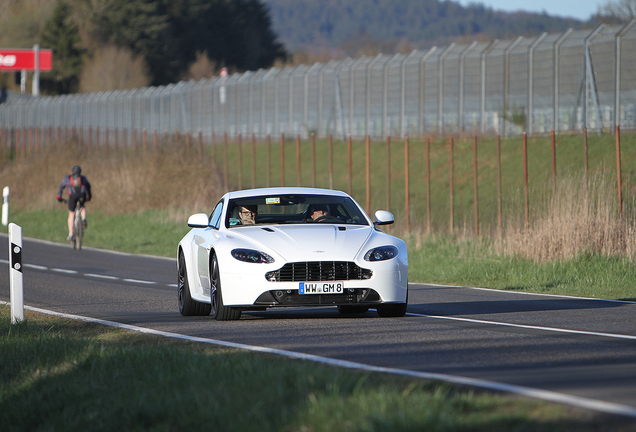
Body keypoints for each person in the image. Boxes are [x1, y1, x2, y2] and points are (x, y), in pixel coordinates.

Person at [57, 165, 92, 241]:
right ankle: (84, 219)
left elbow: (62, 186)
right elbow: (88, 186)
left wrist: (59, 197)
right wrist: (89, 197)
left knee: (71, 213)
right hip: (82, 195)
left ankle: (71, 234)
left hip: (72, 196)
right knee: (82, 206)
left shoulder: (68, 178)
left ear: (72, 172)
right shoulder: (83, 178)